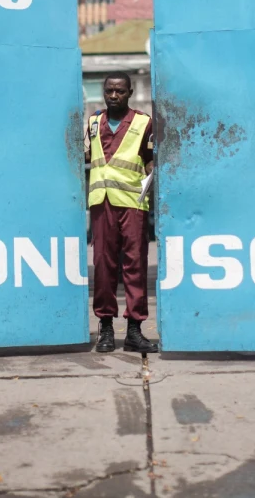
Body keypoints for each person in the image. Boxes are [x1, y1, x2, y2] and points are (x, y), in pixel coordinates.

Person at [86, 72, 159, 354]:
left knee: (135, 265)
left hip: (132, 203)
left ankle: (134, 331)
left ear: (130, 93)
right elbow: (89, 155)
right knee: (103, 266)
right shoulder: (94, 122)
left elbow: (150, 159)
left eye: (119, 91)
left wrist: (153, 175)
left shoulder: (143, 122)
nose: (113, 96)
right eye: (108, 91)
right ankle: (105, 328)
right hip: (101, 202)